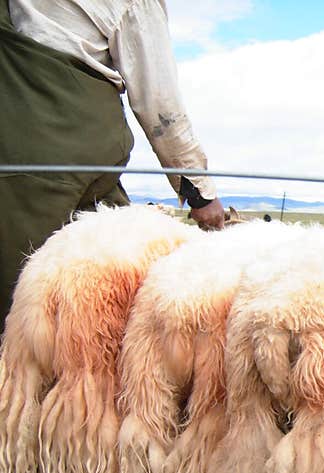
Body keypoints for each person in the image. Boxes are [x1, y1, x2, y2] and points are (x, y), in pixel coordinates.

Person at [0, 0, 225, 320]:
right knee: (22, 302)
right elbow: (159, 101)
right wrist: (200, 192)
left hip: (55, 146)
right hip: (55, 142)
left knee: (123, 272)